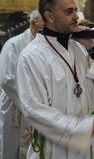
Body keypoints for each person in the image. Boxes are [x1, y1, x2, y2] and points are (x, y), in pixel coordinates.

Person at [16, 0, 94, 159]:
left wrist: (91, 47)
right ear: (50, 16)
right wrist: (80, 128)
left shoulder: (78, 45)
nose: (76, 16)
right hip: (57, 144)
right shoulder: (31, 55)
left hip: (91, 140)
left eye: (75, 10)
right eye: (69, 11)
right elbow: (33, 109)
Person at [0, 10, 44, 158]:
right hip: (14, 106)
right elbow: (6, 79)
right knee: (11, 146)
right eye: (43, 27)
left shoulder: (43, 44)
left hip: (37, 106)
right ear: (33, 24)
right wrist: (29, 102)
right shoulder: (13, 44)